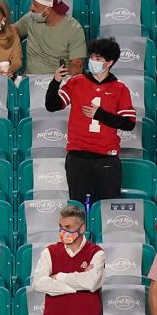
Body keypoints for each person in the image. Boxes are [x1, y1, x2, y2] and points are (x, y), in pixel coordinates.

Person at [47, 37, 136, 207]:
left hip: (106, 158)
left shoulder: (120, 88)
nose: (93, 62)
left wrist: (100, 115)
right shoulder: (76, 82)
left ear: (109, 62)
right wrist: (55, 82)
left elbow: (128, 123)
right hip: (77, 156)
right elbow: (52, 106)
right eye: (92, 57)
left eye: (99, 59)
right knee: (78, 209)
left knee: (107, 208)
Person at [33, 203, 105, 315]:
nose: (63, 231)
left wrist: (60, 277)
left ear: (82, 228)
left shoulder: (96, 253)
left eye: (68, 227)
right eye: (60, 226)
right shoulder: (49, 252)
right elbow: (39, 283)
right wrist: (75, 287)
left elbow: (92, 282)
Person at [18, 0, 88, 78]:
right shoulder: (30, 18)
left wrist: (69, 82)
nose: (31, 8)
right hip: (32, 82)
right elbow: (11, 32)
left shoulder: (74, 29)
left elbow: (77, 63)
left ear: (47, 10)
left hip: (59, 82)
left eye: (35, 5)